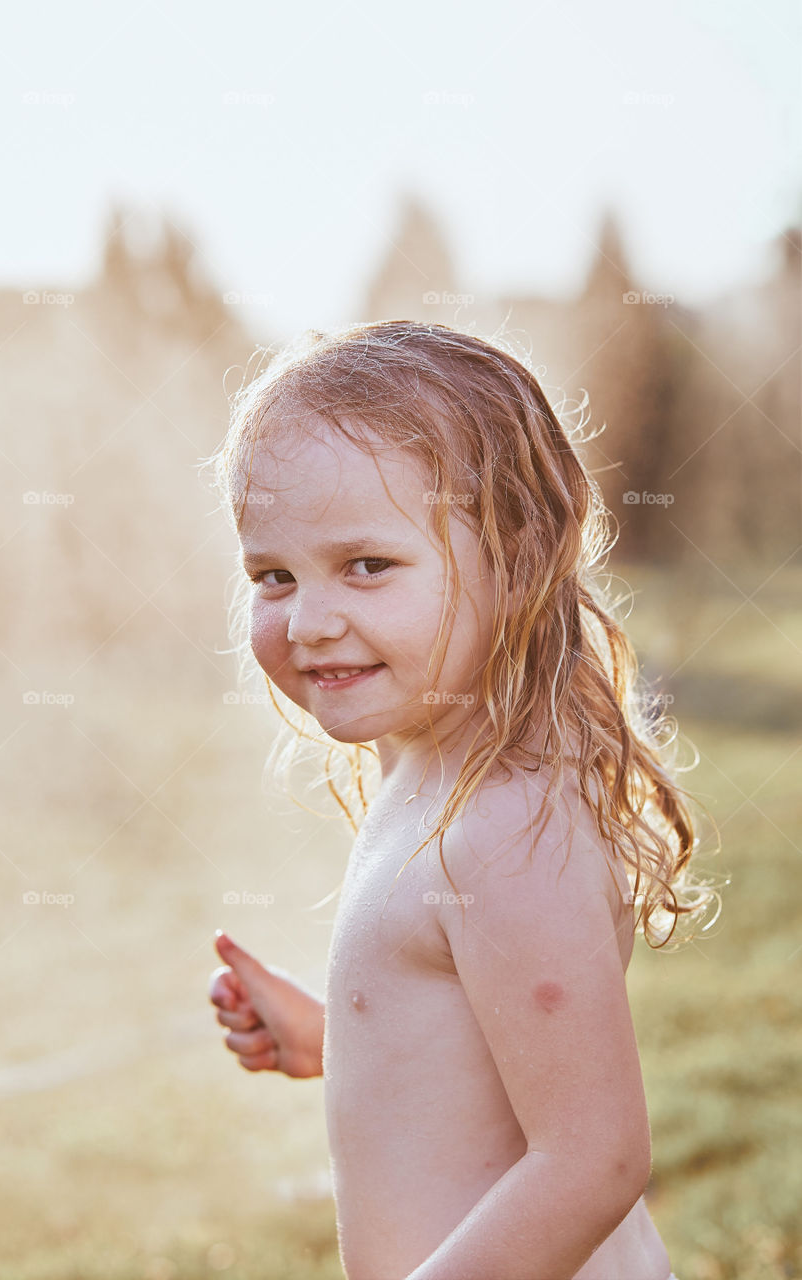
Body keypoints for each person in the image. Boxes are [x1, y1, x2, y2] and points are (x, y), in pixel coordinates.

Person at [205, 320, 718, 1280]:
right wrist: (340, 1034)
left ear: (518, 559)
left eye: (367, 564)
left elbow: (593, 1161)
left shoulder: (504, 828)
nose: (310, 622)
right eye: (273, 576)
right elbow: (480, 1057)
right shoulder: (428, 773)